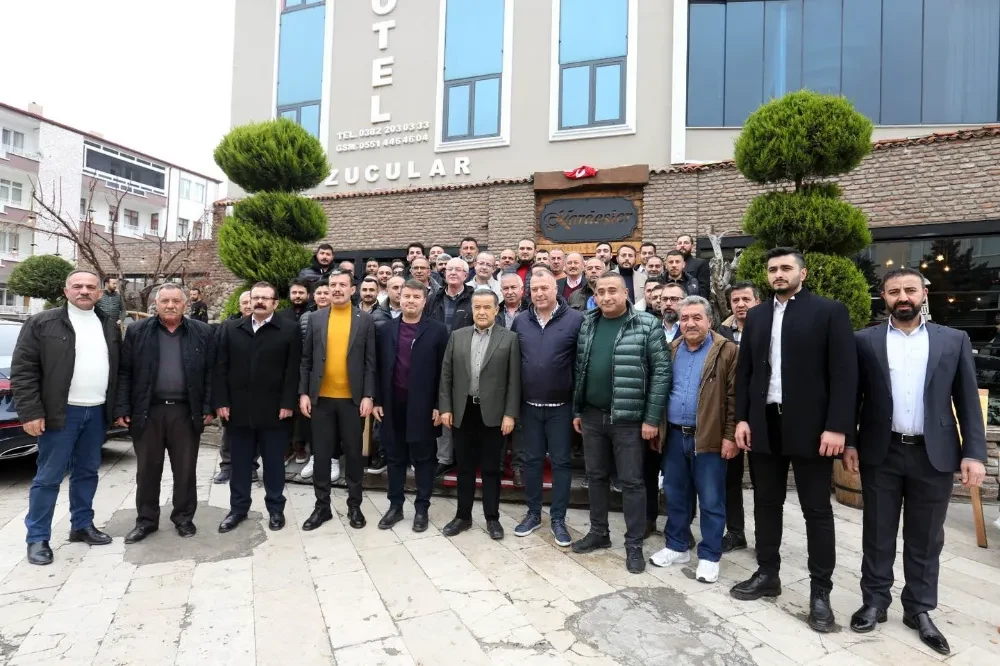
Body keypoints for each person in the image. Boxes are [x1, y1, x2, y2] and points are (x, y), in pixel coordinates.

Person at [846, 268, 987, 654]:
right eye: (894, 291)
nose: (903, 297)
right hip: (882, 451)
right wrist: (850, 443)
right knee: (877, 532)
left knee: (926, 537)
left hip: (934, 454)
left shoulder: (953, 340)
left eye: (910, 289)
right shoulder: (864, 341)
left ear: (924, 293)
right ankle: (875, 601)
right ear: (884, 296)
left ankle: (919, 609)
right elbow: (852, 397)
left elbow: (967, 399)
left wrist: (974, 453)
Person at [730, 247, 857, 634]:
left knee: (816, 510)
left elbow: (844, 373)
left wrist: (837, 426)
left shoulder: (829, 312)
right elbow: (746, 372)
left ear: (803, 272)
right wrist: (742, 419)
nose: (779, 274)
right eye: (773, 269)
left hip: (813, 428)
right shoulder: (757, 315)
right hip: (764, 423)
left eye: (786, 267)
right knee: (766, 503)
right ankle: (767, 573)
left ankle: (820, 591)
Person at [12, 270, 120, 566]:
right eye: (78, 286)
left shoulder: (109, 325)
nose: (84, 291)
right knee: (48, 477)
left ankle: (81, 525)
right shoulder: (42, 323)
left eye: (90, 287)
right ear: (66, 291)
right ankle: (37, 538)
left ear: (100, 293)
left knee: (87, 472)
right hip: (60, 413)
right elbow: (24, 370)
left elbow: (118, 368)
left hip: (97, 411)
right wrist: (31, 412)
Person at [570, 272, 670, 574]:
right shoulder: (588, 323)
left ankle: (634, 544)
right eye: (600, 291)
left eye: (612, 290)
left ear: (626, 293)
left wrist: (651, 418)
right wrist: (578, 410)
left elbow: (661, 372)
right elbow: (580, 368)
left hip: (629, 419)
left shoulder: (647, 324)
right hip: (592, 415)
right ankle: (599, 532)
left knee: (632, 482)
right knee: (596, 476)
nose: (606, 296)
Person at [115, 284, 214, 543]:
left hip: (185, 412)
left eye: (176, 301)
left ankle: (183, 518)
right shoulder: (137, 331)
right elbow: (125, 371)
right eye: (165, 301)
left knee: (185, 470)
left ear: (185, 304)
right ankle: (146, 521)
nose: (170, 305)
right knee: (147, 470)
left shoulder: (202, 331)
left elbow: (210, 373)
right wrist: (122, 407)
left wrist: (208, 407)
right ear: (156, 305)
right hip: (148, 411)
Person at [649, 296, 738, 584]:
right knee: (675, 495)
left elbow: (734, 397)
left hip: (709, 438)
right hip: (675, 435)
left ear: (710, 320)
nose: (690, 323)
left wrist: (730, 436)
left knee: (711, 500)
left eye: (697, 317)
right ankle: (677, 546)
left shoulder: (726, 351)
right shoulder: (672, 349)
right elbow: (662, 390)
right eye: (685, 318)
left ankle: (710, 556)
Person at [214, 281, 301, 533]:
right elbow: (220, 368)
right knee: (240, 464)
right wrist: (221, 401)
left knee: (273, 464)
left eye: (265, 298)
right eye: (256, 298)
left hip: (275, 411)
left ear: (275, 303)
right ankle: (238, 509)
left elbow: (293, 370)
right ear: (249, 301)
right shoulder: (231, 328)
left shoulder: (289, 329)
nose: (259, 302)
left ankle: (275, 509)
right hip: (238, 410)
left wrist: (288, 403)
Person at [440, 289, 521, 540]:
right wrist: (446, 408)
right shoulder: (458, 336)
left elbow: (514, 380)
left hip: (494, 414)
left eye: (487, 307)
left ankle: (492, 518)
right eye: (477, 307)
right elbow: (446, 375)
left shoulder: (509, 339)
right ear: (472, 309)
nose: (482, 312)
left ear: (496, 310)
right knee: (464, 467)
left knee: (491, 469)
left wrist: (510, 414)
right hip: (464, 411)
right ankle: (463, 516)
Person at [298, 271, 376, 530]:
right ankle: (322, 507)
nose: (337, 289)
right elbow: (306, 360)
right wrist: (304, 393)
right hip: (321, 400)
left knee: (354, 455)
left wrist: (369, 395)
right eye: (333, 285)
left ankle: (355, 506)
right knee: (321, 455)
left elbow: (370, 362)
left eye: (343, 285)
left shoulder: (365, 320)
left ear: (353, 290)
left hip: (352, 401)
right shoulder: (316, 318)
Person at [511, 267, 583, 547]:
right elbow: (514, 363)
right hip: (529, 407)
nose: (539, 293)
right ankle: (533, 514)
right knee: (532, 461)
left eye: (545, 288)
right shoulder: (520, 321)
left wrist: (577, 408)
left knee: (561, 463)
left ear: (556, 290)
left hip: (561, 408)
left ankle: (558, 519)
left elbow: (580, 366)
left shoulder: (575, 320)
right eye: (535, 289)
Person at [374, 281, 450, 531]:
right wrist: (377, 400)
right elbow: (378, 368)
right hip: (392, 405)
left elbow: (444, 371)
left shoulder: (438, 330)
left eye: (416, 297)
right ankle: (395, 506)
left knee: (424, 459)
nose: (410, 301)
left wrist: (439, 404)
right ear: (399, 297)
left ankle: (422, 508)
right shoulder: (386, 329)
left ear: (424, 301)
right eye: (406, 296)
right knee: (395, 458)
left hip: (424, 406)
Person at [717, 281, 759, 553]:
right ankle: (735, 532)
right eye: (736, 300)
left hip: (762, 415)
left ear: (757, 301)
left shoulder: (768, 328)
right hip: (731, 414)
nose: (741, 304)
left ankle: (765, 538)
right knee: (730, 479)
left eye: (746, 299)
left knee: (763, 481)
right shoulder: (720, 332)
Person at [215, 290, 256, 485]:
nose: (248, 305)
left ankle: (251, 466)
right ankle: (227, 466)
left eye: (250, 301)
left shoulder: (265, 327)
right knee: (228, 430)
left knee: (255, 430)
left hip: (256, 390)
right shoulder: (228, 326)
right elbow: (219, 360)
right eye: (244, 302)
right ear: (239, 306)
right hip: (233, 389)